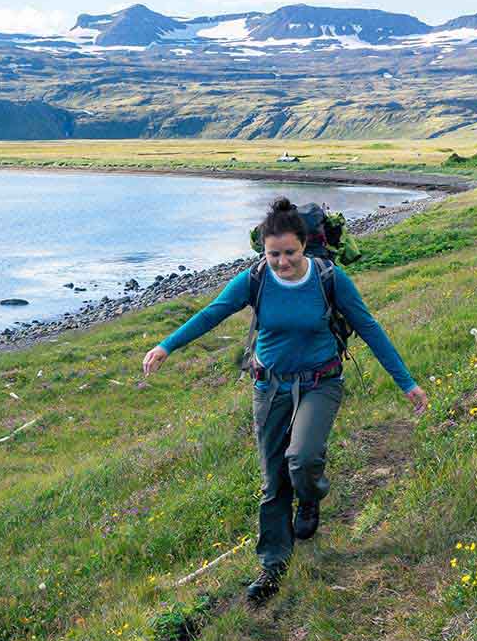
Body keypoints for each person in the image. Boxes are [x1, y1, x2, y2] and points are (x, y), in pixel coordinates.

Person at [142, 197, 428, 604]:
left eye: (289, 253)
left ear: (304, 246)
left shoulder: (330, 278)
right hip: (269, 387)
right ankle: (273, 566)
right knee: (273, 482)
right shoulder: (254, 279)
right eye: (273, 254)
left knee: (303, 459)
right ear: (263, 250)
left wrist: (407, 383)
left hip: (320, 384)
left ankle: (311, 497)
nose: (281, 263)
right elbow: (212, 314)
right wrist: (166, 346)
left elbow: (369, 327)